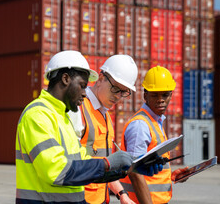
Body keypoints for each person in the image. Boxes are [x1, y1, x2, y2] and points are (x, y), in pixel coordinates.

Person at [15, 50, 162, 204]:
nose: (85, 94)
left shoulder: (62, 117)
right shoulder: (38, 115)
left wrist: (129, 169)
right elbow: (57, 171)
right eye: (82, 86)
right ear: (65, 79)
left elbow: (82, 164)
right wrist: (108, 163)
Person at [68, 55, 138, 204]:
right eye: (115, 89)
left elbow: (105, 165)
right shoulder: (78, 110)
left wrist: (122, 194)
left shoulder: (105, 116)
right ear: (100, 78)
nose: (118, 96)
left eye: (124, 92)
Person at [120, 66, 189, 204]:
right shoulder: (140, 125)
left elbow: (149, 168)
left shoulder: (155, 121)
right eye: (155, 95)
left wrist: (171, 176)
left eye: (165, 95)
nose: (161, 100)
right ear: (145, 95)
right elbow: (135, 173)